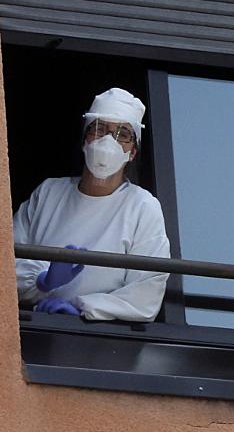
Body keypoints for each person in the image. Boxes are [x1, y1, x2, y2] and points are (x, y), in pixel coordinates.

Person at [14, 87, 170, 322]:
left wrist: (83, 308)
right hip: (37, 326)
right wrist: (41, 281)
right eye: (99, 129)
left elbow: (145, 295)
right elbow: (7, 260)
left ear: (133, 152)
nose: (109, 141)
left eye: (123, 134)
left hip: (95, 342)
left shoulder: (142, 207)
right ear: (85, 139)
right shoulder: (48, 192)